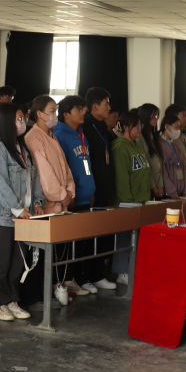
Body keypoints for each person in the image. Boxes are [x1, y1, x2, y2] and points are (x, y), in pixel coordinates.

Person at [0, 103, 45, 321]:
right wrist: (18, 209)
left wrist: (37, 201)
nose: (22, 123)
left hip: (24, 215)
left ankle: (11, 300)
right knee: (1, 262)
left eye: (23, 119)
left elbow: (34, 179)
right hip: (3, 216)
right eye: (18, 119)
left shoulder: (22, 148)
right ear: (7, 121)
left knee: (18, 262)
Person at [25, 95, 88, 301]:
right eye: (51, 111)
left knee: (60, 249)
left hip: (62, 203)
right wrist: (61, 195)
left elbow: (65, 168)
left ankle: (57, 287)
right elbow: (44, 174)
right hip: (48, 204)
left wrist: (70, 192)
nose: (55, 115)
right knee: (45, 252)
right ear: (39, 113)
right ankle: (42, 295)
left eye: (55, 111)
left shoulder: (51, 135)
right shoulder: (33, 137)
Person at [52, 95, 115, 294]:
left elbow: (87, 165)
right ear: (66, 114)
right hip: (73, 198)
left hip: (87, 195)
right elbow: (63, 170)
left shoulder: (81, 133)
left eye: (83, 109)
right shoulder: (59, 135)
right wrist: (69, 194)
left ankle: (84, 277)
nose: (83, 113)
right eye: (78, 110)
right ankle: (72, 279)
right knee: (73, 245)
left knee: (86, 242)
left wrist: (91, 190)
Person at [81, 87, 118, 289]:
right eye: (106, 104)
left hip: (105, 187)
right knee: (89, 236)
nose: (109, 108)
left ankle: (98, 273)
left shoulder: (102, 127)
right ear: (95, 106)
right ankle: (86, 276)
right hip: (92, 189)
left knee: (103, 234)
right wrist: (92, 190)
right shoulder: (85, 127)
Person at [110, 109, 151, 286]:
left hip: (142, 199)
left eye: (141, 125)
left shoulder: (137, 145)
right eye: (136, 125)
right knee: (124, 238)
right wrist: (127, 202)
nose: (140, 128)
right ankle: (121, 271)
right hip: (128, 201)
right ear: (126, 127)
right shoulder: (120, 146)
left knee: (137, 238)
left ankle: (133, 269)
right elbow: (121, 177)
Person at [164, 104, 186, 192]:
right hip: (179, 184)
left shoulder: (185, 137)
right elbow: (182, 160)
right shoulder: (171, 139)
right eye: (183, 116)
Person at [159, 113, 186, 198]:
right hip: (170, 194)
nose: (179, 130)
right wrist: (172, 191)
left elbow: (183, 167)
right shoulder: (161, 145)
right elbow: (163, 172)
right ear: (167, 127)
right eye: (177, 127)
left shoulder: (174, 144)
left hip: (180, 191)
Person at [136, 103, 163, 198]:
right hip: (148, 184)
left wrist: (160, 185)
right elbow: (145, 163)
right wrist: (153, 186)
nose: (156, 118)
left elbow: (159, 161)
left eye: (157, 116)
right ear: (146, 116)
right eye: (153, 116)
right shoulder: (139, 136)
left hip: (157, 182)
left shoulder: (153, 134)